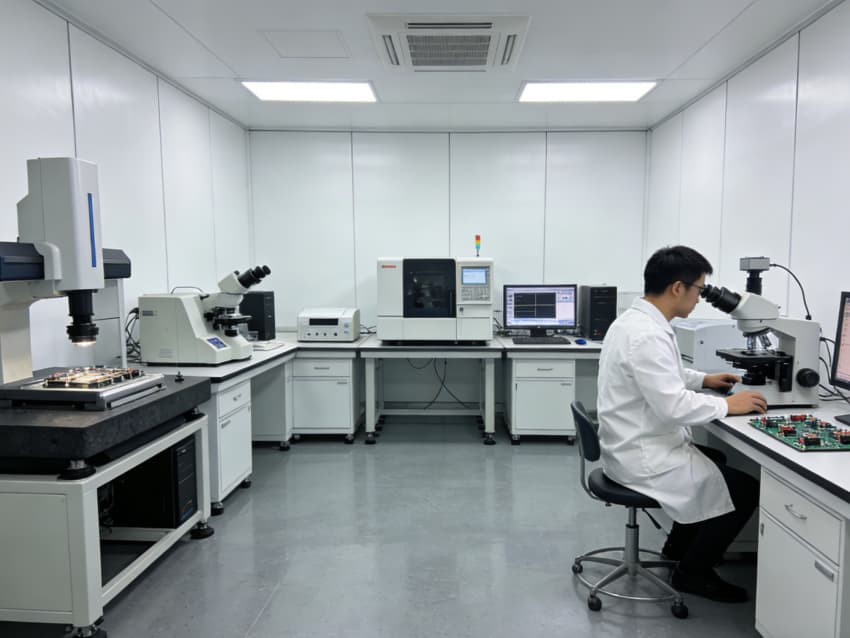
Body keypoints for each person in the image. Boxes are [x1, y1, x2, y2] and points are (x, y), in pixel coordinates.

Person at [597, 245, 768, 603]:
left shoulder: (633, 322)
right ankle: (694, 573)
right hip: (642, 456)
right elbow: (673, 405)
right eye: (699, 289)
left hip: (628, 444)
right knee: (746, 490)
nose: (700, 298)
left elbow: (661, 375)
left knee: (716, 460)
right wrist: (728, 405)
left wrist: (703, 379)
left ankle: (677, 549)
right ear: (678, 288)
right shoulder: (647, 334)